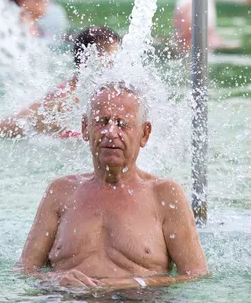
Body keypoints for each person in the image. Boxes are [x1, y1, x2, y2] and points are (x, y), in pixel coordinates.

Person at [17, 81, 209, 289]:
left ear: (144, 134)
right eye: (101, 121)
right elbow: (25, 270)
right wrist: (54, 280)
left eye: (122, 123)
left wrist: (126, 285)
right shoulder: (61, 192)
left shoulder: (164, 195)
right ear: (85, 128)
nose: (110, 132)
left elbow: (196, 275)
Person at [0, 26, 121, 139]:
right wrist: (42, 124)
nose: (116, 66)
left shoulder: (112, 93)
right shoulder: (65, 99)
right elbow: (2, 128)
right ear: (86, 60)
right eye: (111, 60)